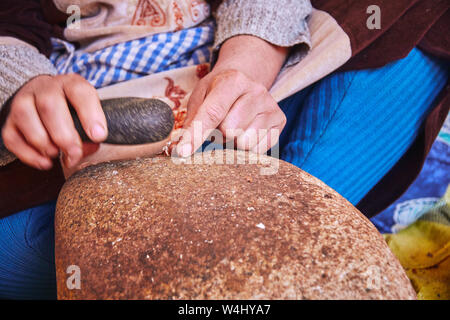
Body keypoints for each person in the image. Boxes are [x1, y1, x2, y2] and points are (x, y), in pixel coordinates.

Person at [0, 0, 448, 299]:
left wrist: (245, 65)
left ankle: (283, 212)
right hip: (90, 101)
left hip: (259, 69)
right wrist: (24, 88)